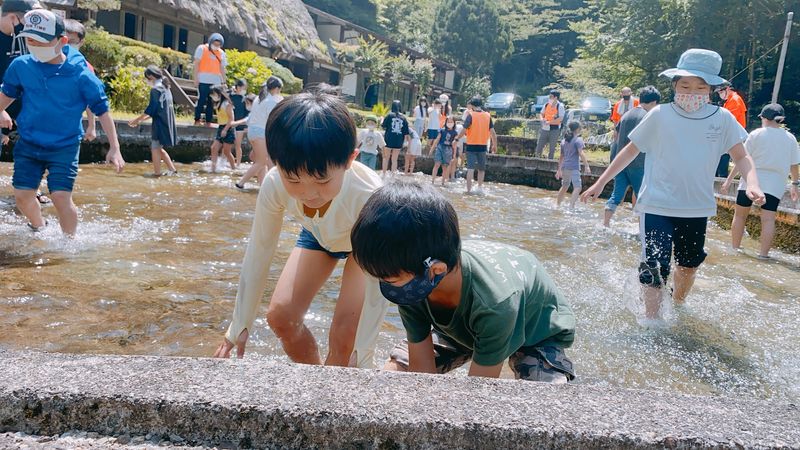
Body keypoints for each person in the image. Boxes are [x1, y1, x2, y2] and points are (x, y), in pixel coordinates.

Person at [581, 48, 764, 320]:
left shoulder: (722, 119)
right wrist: (601, 182)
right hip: (656, 203)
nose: (692, 92)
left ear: (711, 90)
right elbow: (630, 150)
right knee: (654, 266)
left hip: (696, 207)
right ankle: (652, 322)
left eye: (700, 87)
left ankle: (677, 304)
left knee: (688, 266)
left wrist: (753, 183)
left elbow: (741, 155)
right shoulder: (660, 115)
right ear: (675, 85)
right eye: (685, 85)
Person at [213, 85, 388, 370]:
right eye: (293, 180)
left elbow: (380, 283)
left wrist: (364, 350)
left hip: (363, 246)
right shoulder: (273, 183)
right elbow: (260, 249)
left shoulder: (370, 195)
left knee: (346, 336)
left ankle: (333, 391)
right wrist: (240, 322)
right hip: (318, 234)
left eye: (322, 181)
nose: (308, 193)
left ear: (350, 159)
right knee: (281, 318)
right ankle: (315, 378)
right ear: (276, 162)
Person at [350, 181, 576, 383]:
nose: (385, 285)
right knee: (396, 373)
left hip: (535, 329)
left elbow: (476, 392)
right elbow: (420, 375)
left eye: (389, 279)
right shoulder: (412, 283)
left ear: (435, 270)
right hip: (463, 327)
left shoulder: (495, 303)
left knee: (542, 402)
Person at [1, 9, 124, 235]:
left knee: (60, 196)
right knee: (22, 195)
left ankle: (69, 243)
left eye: (41, 41)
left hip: (64, 145)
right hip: (29, 142)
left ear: (62, 41)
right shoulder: (21, 66)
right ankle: (38, 227)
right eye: (29, 40)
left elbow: (103, 111)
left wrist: (114, 148)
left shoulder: (81, 75)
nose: (34, 45)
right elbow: (6, 95)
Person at [722, 103, 799, 259]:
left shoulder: (756, 134)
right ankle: (763, 255)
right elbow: (794, 165)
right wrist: (794, 185)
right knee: (768, 220)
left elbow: (742, 159)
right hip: (775, 185)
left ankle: (735, 249)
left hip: (750, 181)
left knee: (740, 216)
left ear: (764, 118)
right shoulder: (790, 138)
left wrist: (729, 180)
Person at [0, 0, 47, 204]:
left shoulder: (22, 36)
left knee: (34, 147)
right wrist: (0, 109)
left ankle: (31, 190)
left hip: (24, 103)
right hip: (1, 101)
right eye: (25, 22)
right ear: (13, 17)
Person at [603, 86, 661, 227]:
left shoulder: (626, 115)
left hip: (620, 163)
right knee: (642, 197)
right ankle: (641, 229)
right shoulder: (648, 116)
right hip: (639, 163)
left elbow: (616, 137)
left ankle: (605, 224)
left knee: (616, 195)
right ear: (654, 102)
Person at [127, 65, 178, 177]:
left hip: (160, 123)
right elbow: (156, 110)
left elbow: (151, 109)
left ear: (151, 76)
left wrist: (136, 120)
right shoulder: (165, 86)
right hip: (166, 121)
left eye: (147, 78)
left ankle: (157, 173)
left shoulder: (156, 89)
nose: (147, 80)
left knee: (155, 148)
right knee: (159, 148)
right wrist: (140, 120)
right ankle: (172, 170)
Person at [236, 76, 283, 189]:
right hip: (261, 133)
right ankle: (240, 183)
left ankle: (262, 186)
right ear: (276, 88)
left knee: (260, 160)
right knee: (262, 162)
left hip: (252, 132)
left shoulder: (259, 98)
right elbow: (272, 120)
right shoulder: (271, 101)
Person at [455, 96, 497, 194]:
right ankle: (479, 188)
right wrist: (494, 145)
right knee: (481, 169)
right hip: (483, 146)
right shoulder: (487, 116)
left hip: (471, 145)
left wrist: (457, 138)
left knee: (470, 169)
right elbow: (493, 133)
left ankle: (468, 190)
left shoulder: (471, 115)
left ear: (472, 105)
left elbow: (464, 130)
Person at [64, 18, 96, 143]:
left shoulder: (86, 68)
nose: (66, 44)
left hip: (71, 131)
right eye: (63, 39)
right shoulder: (44, 61)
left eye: (71, 41)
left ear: (81, 42)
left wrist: (92, 126)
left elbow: (91, 98)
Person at [192, 33, 227, 127]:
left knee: (212, 102)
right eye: (215, 44)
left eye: (218, 45)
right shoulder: (202, 48)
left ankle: (208, 121)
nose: (216, 46)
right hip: (203, 80)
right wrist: (195, 78)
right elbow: (196, 64)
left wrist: (223, 82)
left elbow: (222, 68)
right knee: (201, 100)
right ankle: (197, 119)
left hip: (216, 82)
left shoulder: (221, 53)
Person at [715, 82, 748, 177]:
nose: (720, 94)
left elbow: (729, 120)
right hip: (729, 135)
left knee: (722, 164)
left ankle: (721, 182)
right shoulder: (729, 100)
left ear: (728, 89)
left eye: (721, 92)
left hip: (731, 136)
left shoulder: (735, 100)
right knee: (719, 163)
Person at [555, 121, 591, 208]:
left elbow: (561, 156)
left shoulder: (564, 141)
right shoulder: (578, 140)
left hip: (565, 167)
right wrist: (587, 166)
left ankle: (557, 205)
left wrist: (559, 169)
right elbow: (581, 153)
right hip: (574, 167)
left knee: (565, 186)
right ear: (578, 129)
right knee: (578, 187)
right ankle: (571, 206)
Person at [208, 84, 237, 173]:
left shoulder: (227, 104)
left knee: (227, 152)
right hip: (221, 127)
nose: (212, 96)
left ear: (219, 93)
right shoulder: (217, 103)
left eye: (213, 94)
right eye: (211, 94)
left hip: (228, 128)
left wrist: (225, 129)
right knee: (214, 148)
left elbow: (231, 119)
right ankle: (213, 169)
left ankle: (233, 169)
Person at [381, 99, 410, 177]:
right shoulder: (403, 118)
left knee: (386, 158)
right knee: (394, 159)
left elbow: (383, 126)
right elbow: (406, 132)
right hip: (398, 141)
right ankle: (393, 176)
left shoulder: (389, 115)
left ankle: (383, 174)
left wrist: (381, 119)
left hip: (388, 139)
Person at [534, 90, 565, 159]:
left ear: (556, 97)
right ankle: (537, 159)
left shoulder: (560, 106)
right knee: (539, 145)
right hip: (544, 128)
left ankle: (550, 160)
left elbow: (560, 119)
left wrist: (549, 122)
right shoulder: (546, 104)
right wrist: (542, 119)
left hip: (554, 129)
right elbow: (541, 114)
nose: (549, 98)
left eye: (551, 97)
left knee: (552, 147)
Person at [428, 116, 457, 186]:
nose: (449, 123)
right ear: (446, 122)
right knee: (437, 164)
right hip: (440, 148)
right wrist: (432, 149)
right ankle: (432, 181)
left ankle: (443, 183)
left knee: (445, 167)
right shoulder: (442, 130)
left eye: (451, 122)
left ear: (454, 123)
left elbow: (455, 145)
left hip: (448, 150)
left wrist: (454, 155)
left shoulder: (455, 133)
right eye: (448, 122)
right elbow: (437, 140)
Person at [230, 78, 248, 166]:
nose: (242, 90)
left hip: (240, 125)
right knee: (227, 145)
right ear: (236, 87)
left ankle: (238, 164)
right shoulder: (231, 96)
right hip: (230, 123)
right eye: (240, 87)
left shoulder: (245, 99)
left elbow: (247, 113)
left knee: (238, 145)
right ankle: (226, 162)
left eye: (244, 88)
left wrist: (246, 126)